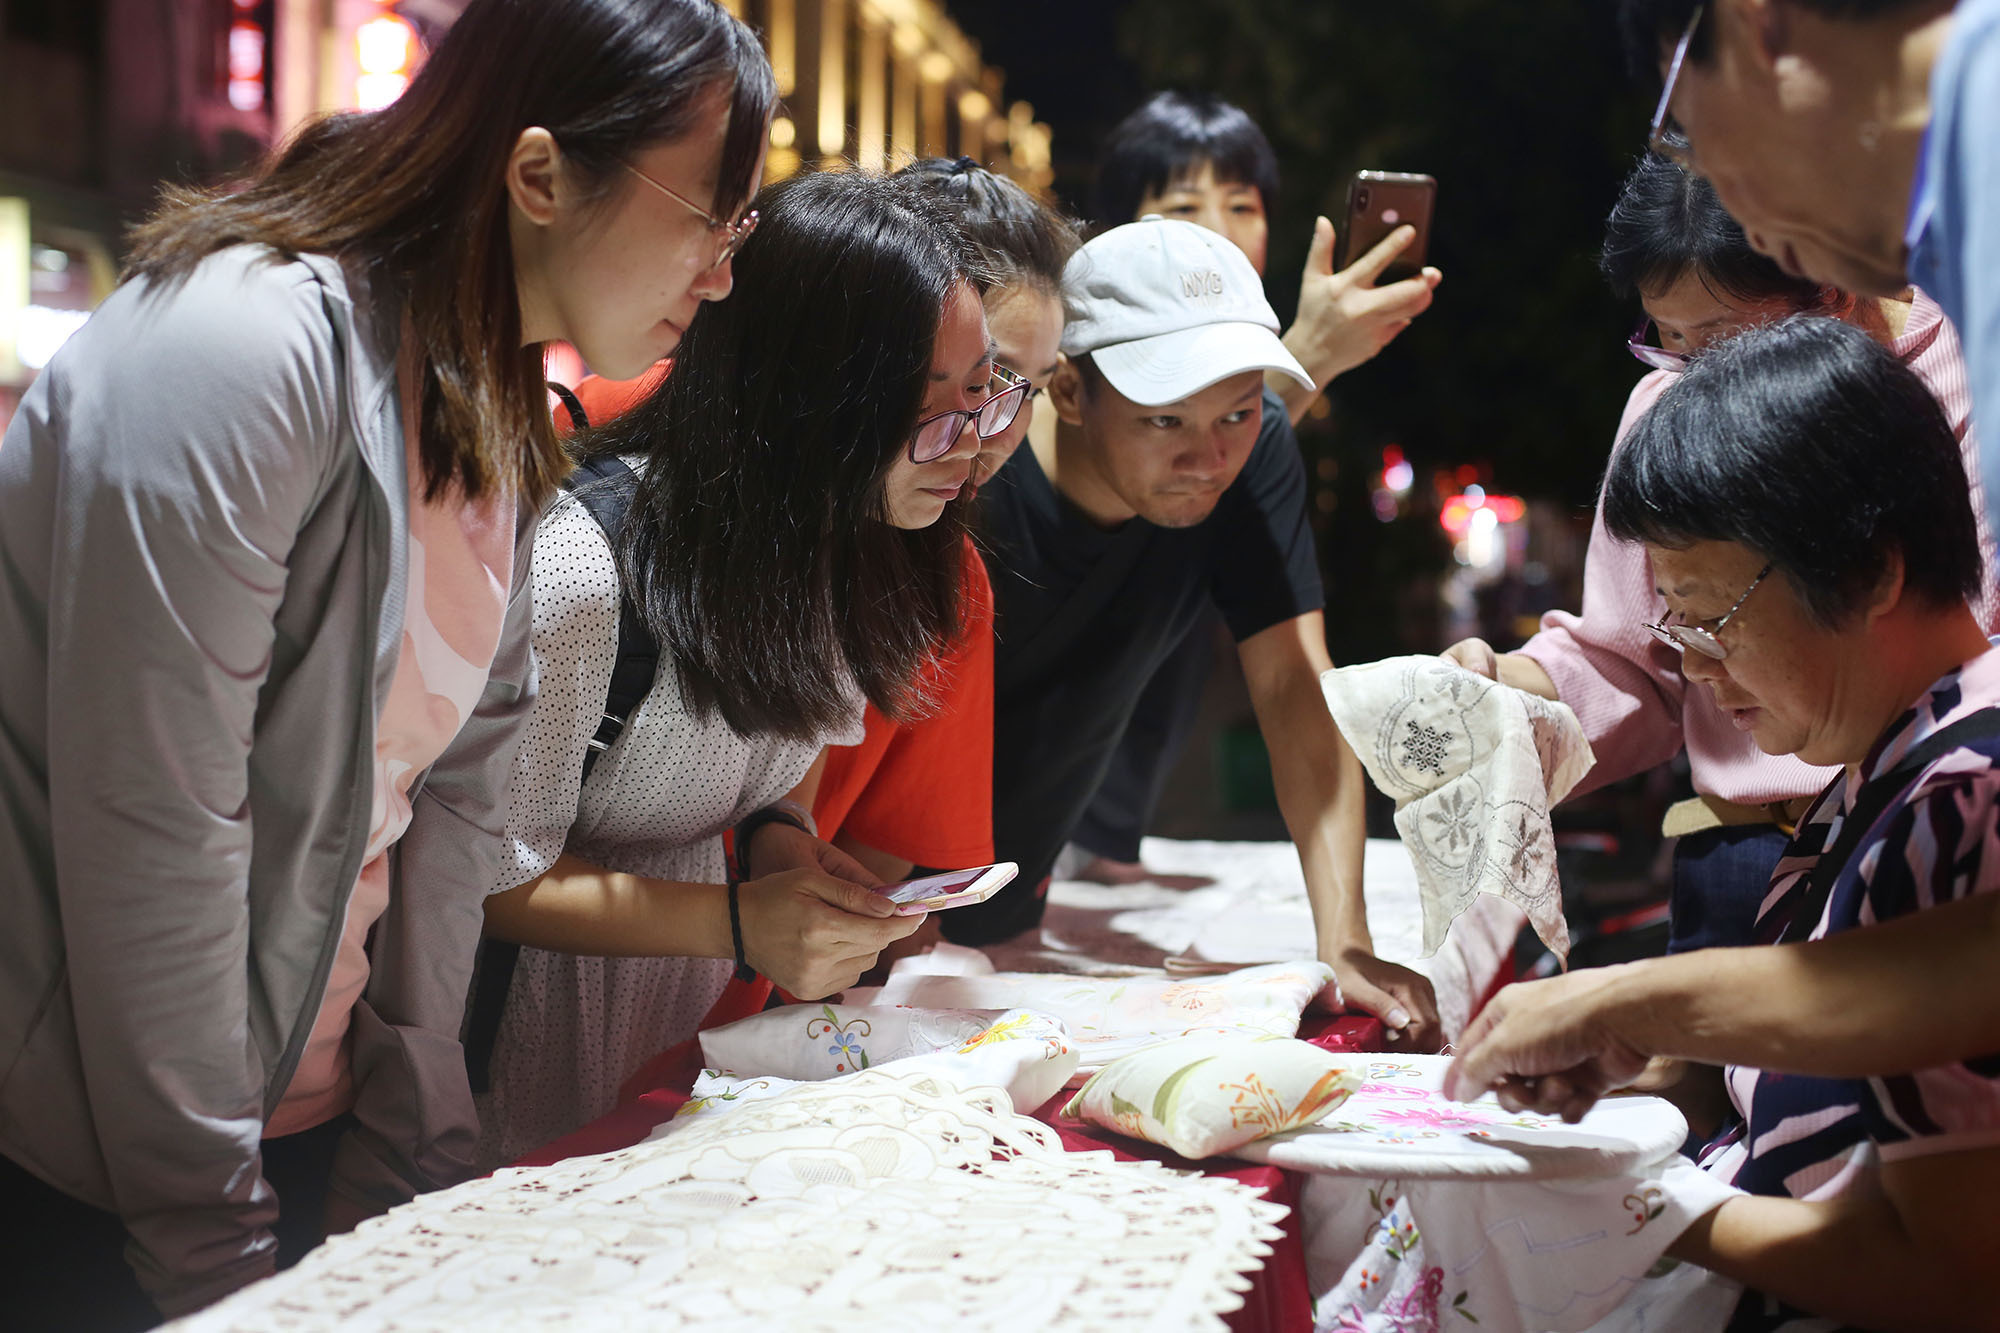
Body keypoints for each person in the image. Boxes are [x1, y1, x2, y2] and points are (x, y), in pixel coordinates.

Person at [0, 0, 773, 1324]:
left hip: (302, 1126)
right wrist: (207, 1239)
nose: (723, 274)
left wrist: (410, 1150)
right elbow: (154, 827)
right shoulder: (243, 346)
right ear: (539, 174)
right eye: (714, 218)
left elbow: (451, 817)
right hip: (89, 1162)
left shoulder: (489, 412)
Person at [1445, 0, 2000, 1117]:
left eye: (1687, 133)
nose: (1735, 198)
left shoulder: (1960, 257)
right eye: (1672, 343)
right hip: (1774, 860)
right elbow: (1628, 662)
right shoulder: (1674, 403)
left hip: (1931, 828)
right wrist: (1514, 696)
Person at [475, 168, 999, 1165]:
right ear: (809, 397)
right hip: (517, 1050)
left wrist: (782, 851)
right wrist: (732, 919)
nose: (969, 450)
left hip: (679, 1048)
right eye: (935, 413)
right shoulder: (582, 562)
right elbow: (482, 876)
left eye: (985, 398)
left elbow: (776, 793)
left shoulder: (845, 550)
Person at [1521, 319, 1996, 1329]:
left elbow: (1949, 1276)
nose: (1691, 666)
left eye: (1708, 614)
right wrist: (1643, 1093)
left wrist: (1643, 1201)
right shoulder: (1894, 747)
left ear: (1871, 571)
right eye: (1671, 625)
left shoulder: (1957, 799)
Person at [954, 216, 1442, 1048]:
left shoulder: (1254, 458)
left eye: (1238, 412)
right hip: (856, 886)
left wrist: (1345, 941)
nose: (1209, 457)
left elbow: (1295, 686)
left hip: (1013, 899)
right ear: (1068, 391)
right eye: (1164, 420)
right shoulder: (966, 471)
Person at [1063, 92, 1445, 889]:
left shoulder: (1263, 410)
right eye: (1179, 205)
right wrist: (1310, 352)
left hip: (1129, 783)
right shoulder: (1066, 383)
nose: (1215, 229)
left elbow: (1290, 677)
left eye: (1242, 204)